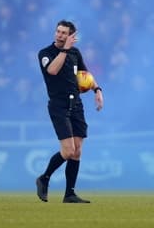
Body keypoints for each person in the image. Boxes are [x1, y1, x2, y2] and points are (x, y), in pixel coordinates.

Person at [35, 20, 104, 203]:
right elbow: (52, 71)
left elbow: (86, 75)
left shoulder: (75, 52)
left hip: (76, 105)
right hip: (58, 105)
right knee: (67, 150)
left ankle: (69, 194)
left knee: (77, 151)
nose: (59, 35)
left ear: (71, 36)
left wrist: (97, 90)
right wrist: (64, 50)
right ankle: (44, 178)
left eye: (64, 33)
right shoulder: (45, 53)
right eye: (58, 31)